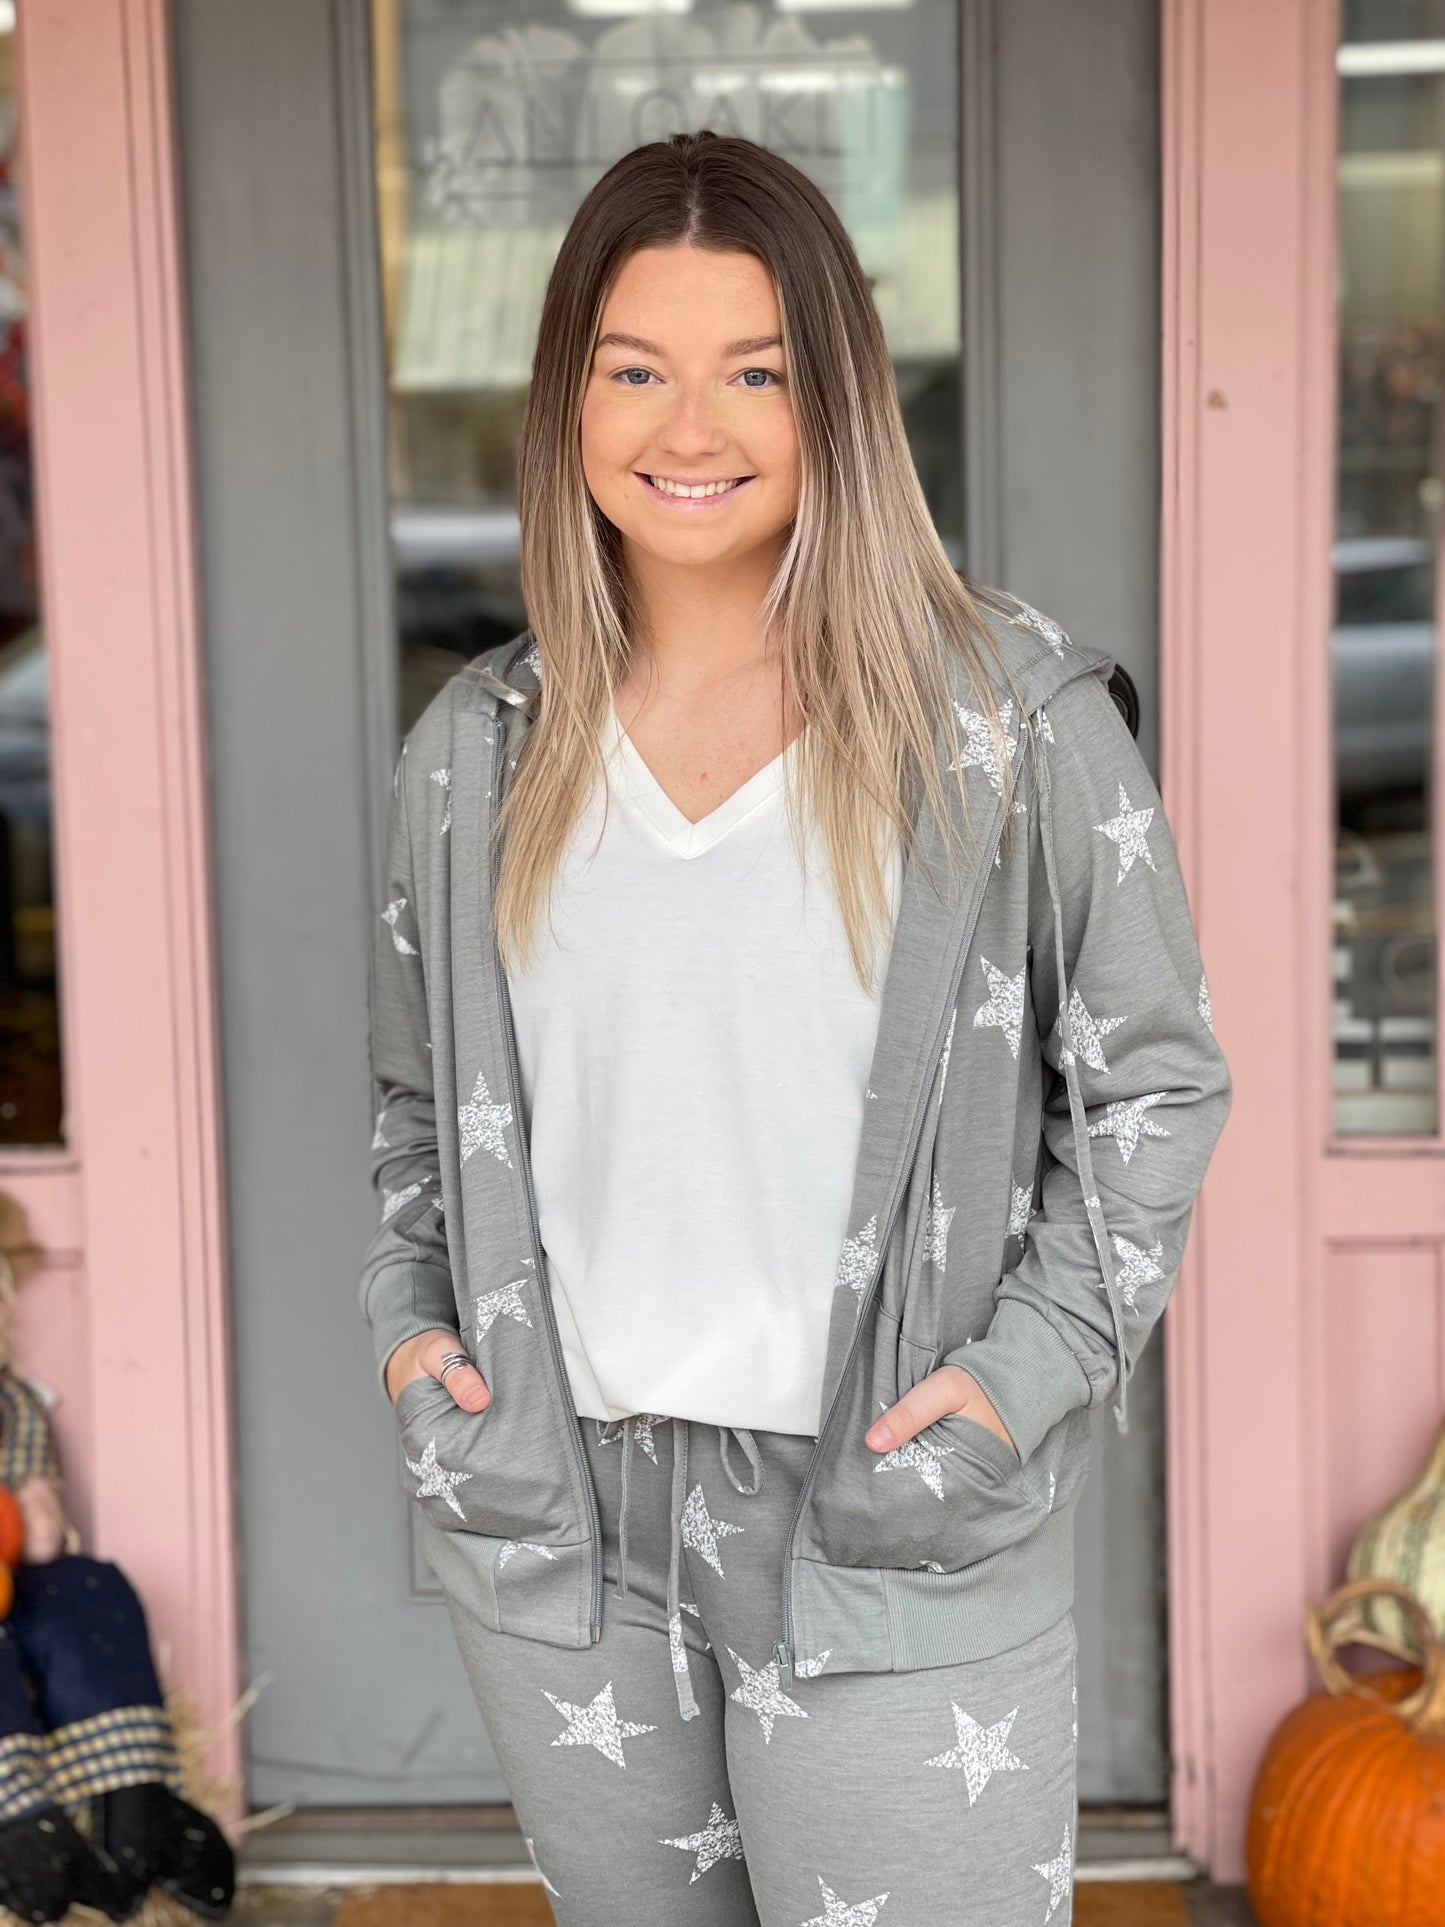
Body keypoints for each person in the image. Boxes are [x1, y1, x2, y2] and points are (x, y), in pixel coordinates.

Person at [360, 130, 1231, 1927]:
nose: (691, 427)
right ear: (566, 398)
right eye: (635, 370)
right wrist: (415, 1333)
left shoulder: (1009, 726)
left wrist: (1020, 1378)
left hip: (889, 1511)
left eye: (754, 372)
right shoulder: (475, 755)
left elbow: (1152, 1083)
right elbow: (410, 1104)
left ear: (835, 394)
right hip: (568, 1517)